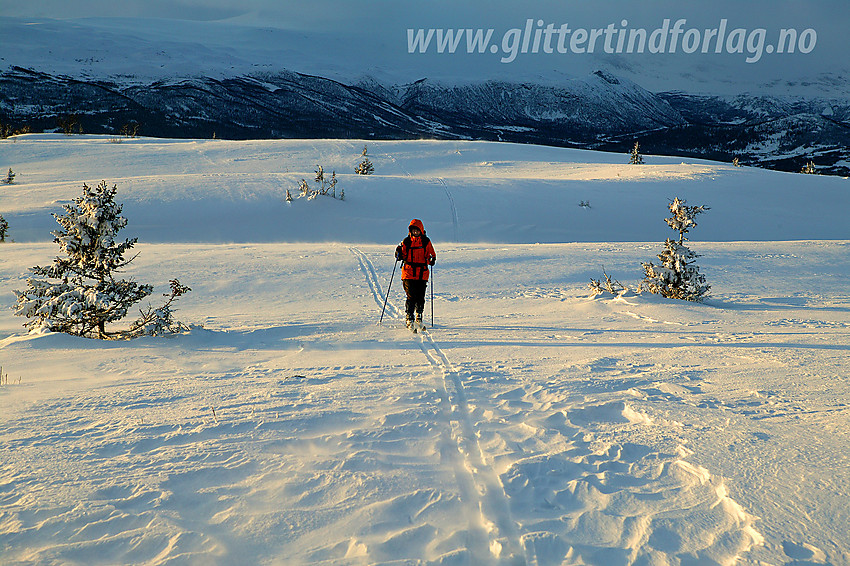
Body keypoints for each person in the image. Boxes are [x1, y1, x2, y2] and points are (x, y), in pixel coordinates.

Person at [395, 219, 436, 328]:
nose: (415, 232)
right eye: (413, 230)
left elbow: (431, 254)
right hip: (408, 272)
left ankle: (419, 315)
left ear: (421, 230)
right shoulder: (407, 241)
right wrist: (398, 253)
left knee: (420, 296)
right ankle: (409, 316)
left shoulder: (426, 241)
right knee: (411, 295)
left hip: (422, 273)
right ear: (410, 231)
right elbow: (401, 256)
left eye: (417, 230)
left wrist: (431, 259)